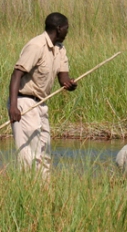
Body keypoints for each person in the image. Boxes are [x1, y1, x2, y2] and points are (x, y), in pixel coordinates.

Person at [7, 12, 77, 178]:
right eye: (66, 28)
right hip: (24, 103)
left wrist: (70, 85)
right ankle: (26, 189)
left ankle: (44, 191)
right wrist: (14, 107)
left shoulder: (60, 48)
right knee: (28, 154)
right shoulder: (36, 46)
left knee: (44, 151)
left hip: (41, 104)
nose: (68, 32)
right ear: (58, 29)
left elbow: (63, 78)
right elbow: (16, 75)